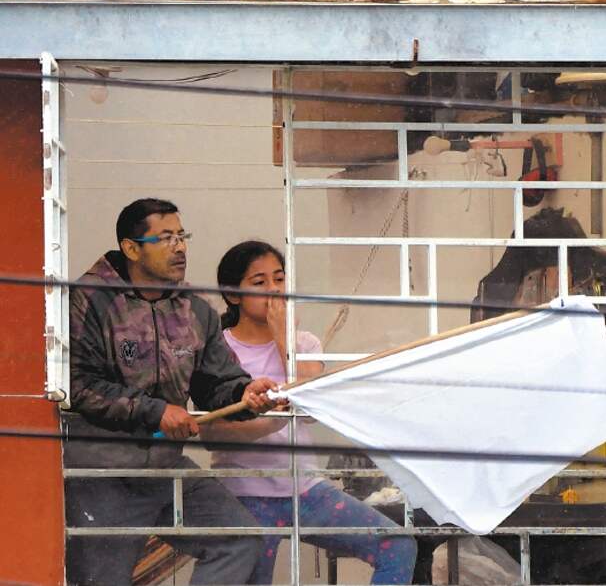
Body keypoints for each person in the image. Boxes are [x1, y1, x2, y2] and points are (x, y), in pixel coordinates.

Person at [64, 199, 280, 585]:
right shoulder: (89, 300)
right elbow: (79, 385)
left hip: (164, 468)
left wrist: (245, 393)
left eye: (182, 236)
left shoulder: (195, 310)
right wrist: (155, 411)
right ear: (132, 249)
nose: (180, 247)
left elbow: (216, 384)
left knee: (238, 540)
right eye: (165, 238)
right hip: (101, 472)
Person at [203, 240, 417, 584]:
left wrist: (282, 338)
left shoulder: (304, 344)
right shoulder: (220, 348)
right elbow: (213, 433)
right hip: (246, 493)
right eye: (259, 283)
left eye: (279, 279)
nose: (274, 290)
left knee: (397, 544)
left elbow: (313, 407)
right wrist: (276, 414)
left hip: (305, 490)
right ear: (233, 295)